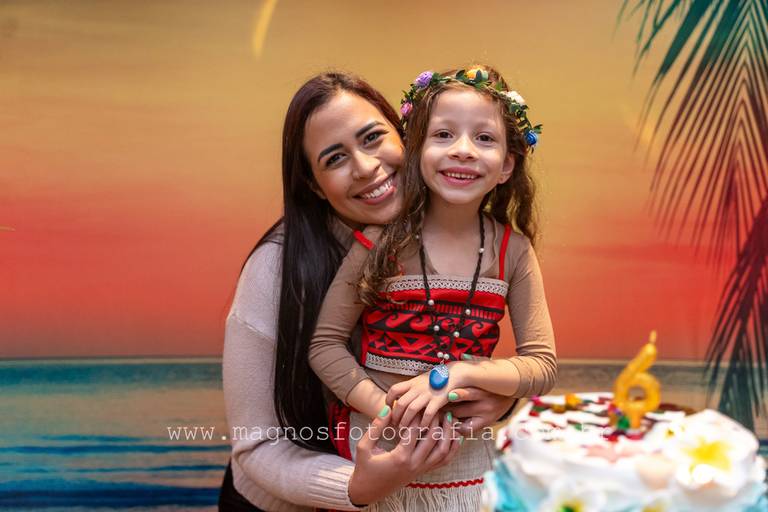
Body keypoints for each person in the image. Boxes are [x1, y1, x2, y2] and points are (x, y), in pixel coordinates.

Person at [219, 71, 519, 511]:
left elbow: (460, 360)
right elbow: (256, 447)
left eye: (373, 138)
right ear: (314, 185)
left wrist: (497, 400)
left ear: (408, 137)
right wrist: (356, 486)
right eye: (334, 158)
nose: (364, 167)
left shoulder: (455, 238)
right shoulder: (275, 269)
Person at [309, 66, 557, 511]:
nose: (462, 150)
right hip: (380, 451)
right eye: (443, 134)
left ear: (506, 165)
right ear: (416, 150)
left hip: (467, 464)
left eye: (484, 138)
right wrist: (389, 412)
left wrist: (460, 374)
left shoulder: (514, 252)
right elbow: (324, 345)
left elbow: (541, 365)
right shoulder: (379, 241)